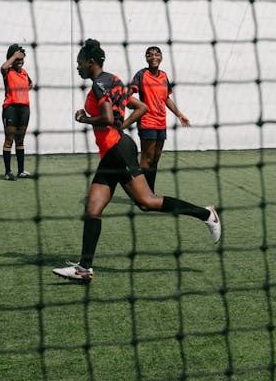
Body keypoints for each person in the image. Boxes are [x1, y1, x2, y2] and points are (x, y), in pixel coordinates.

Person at [53, 39, 220, 282]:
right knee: (93, 208)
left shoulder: (100, 84)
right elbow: (141, 107)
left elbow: (108, 117)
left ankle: (206, 214)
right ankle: (84, 268)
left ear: (90, 62)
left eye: (79, 63)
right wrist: (121, 126)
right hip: (115, 149)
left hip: (117, 151)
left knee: (147, 201)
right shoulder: (113, 81)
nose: (77, 68)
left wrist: (84, 119)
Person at [128, 46, 191, 192]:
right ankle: (141, 193)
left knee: (155, 159)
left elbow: (166, 98)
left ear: (161, 57)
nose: (154, 57)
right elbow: (128, 94)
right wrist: (133, 105)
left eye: (157, 54)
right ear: (146, 58)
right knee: (146, 159)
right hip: (147, 121)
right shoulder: (141, 74)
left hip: (161, 123)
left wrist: (179, 115)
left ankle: (150, 192)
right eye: (150, 55)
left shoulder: (163, 76)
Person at [0, 44, 33, 180]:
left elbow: (30, 84)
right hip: (10, 109)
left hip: (24, 109)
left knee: (20, 140)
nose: (20, 61)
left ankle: (21, 171)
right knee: (9, 140)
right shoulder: (7, 71)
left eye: (21, 59)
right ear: (12, 58)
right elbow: (3, 67)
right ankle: (8, 172)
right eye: (17, 59)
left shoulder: (24, 73)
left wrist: (22, 94)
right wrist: (14, 56)